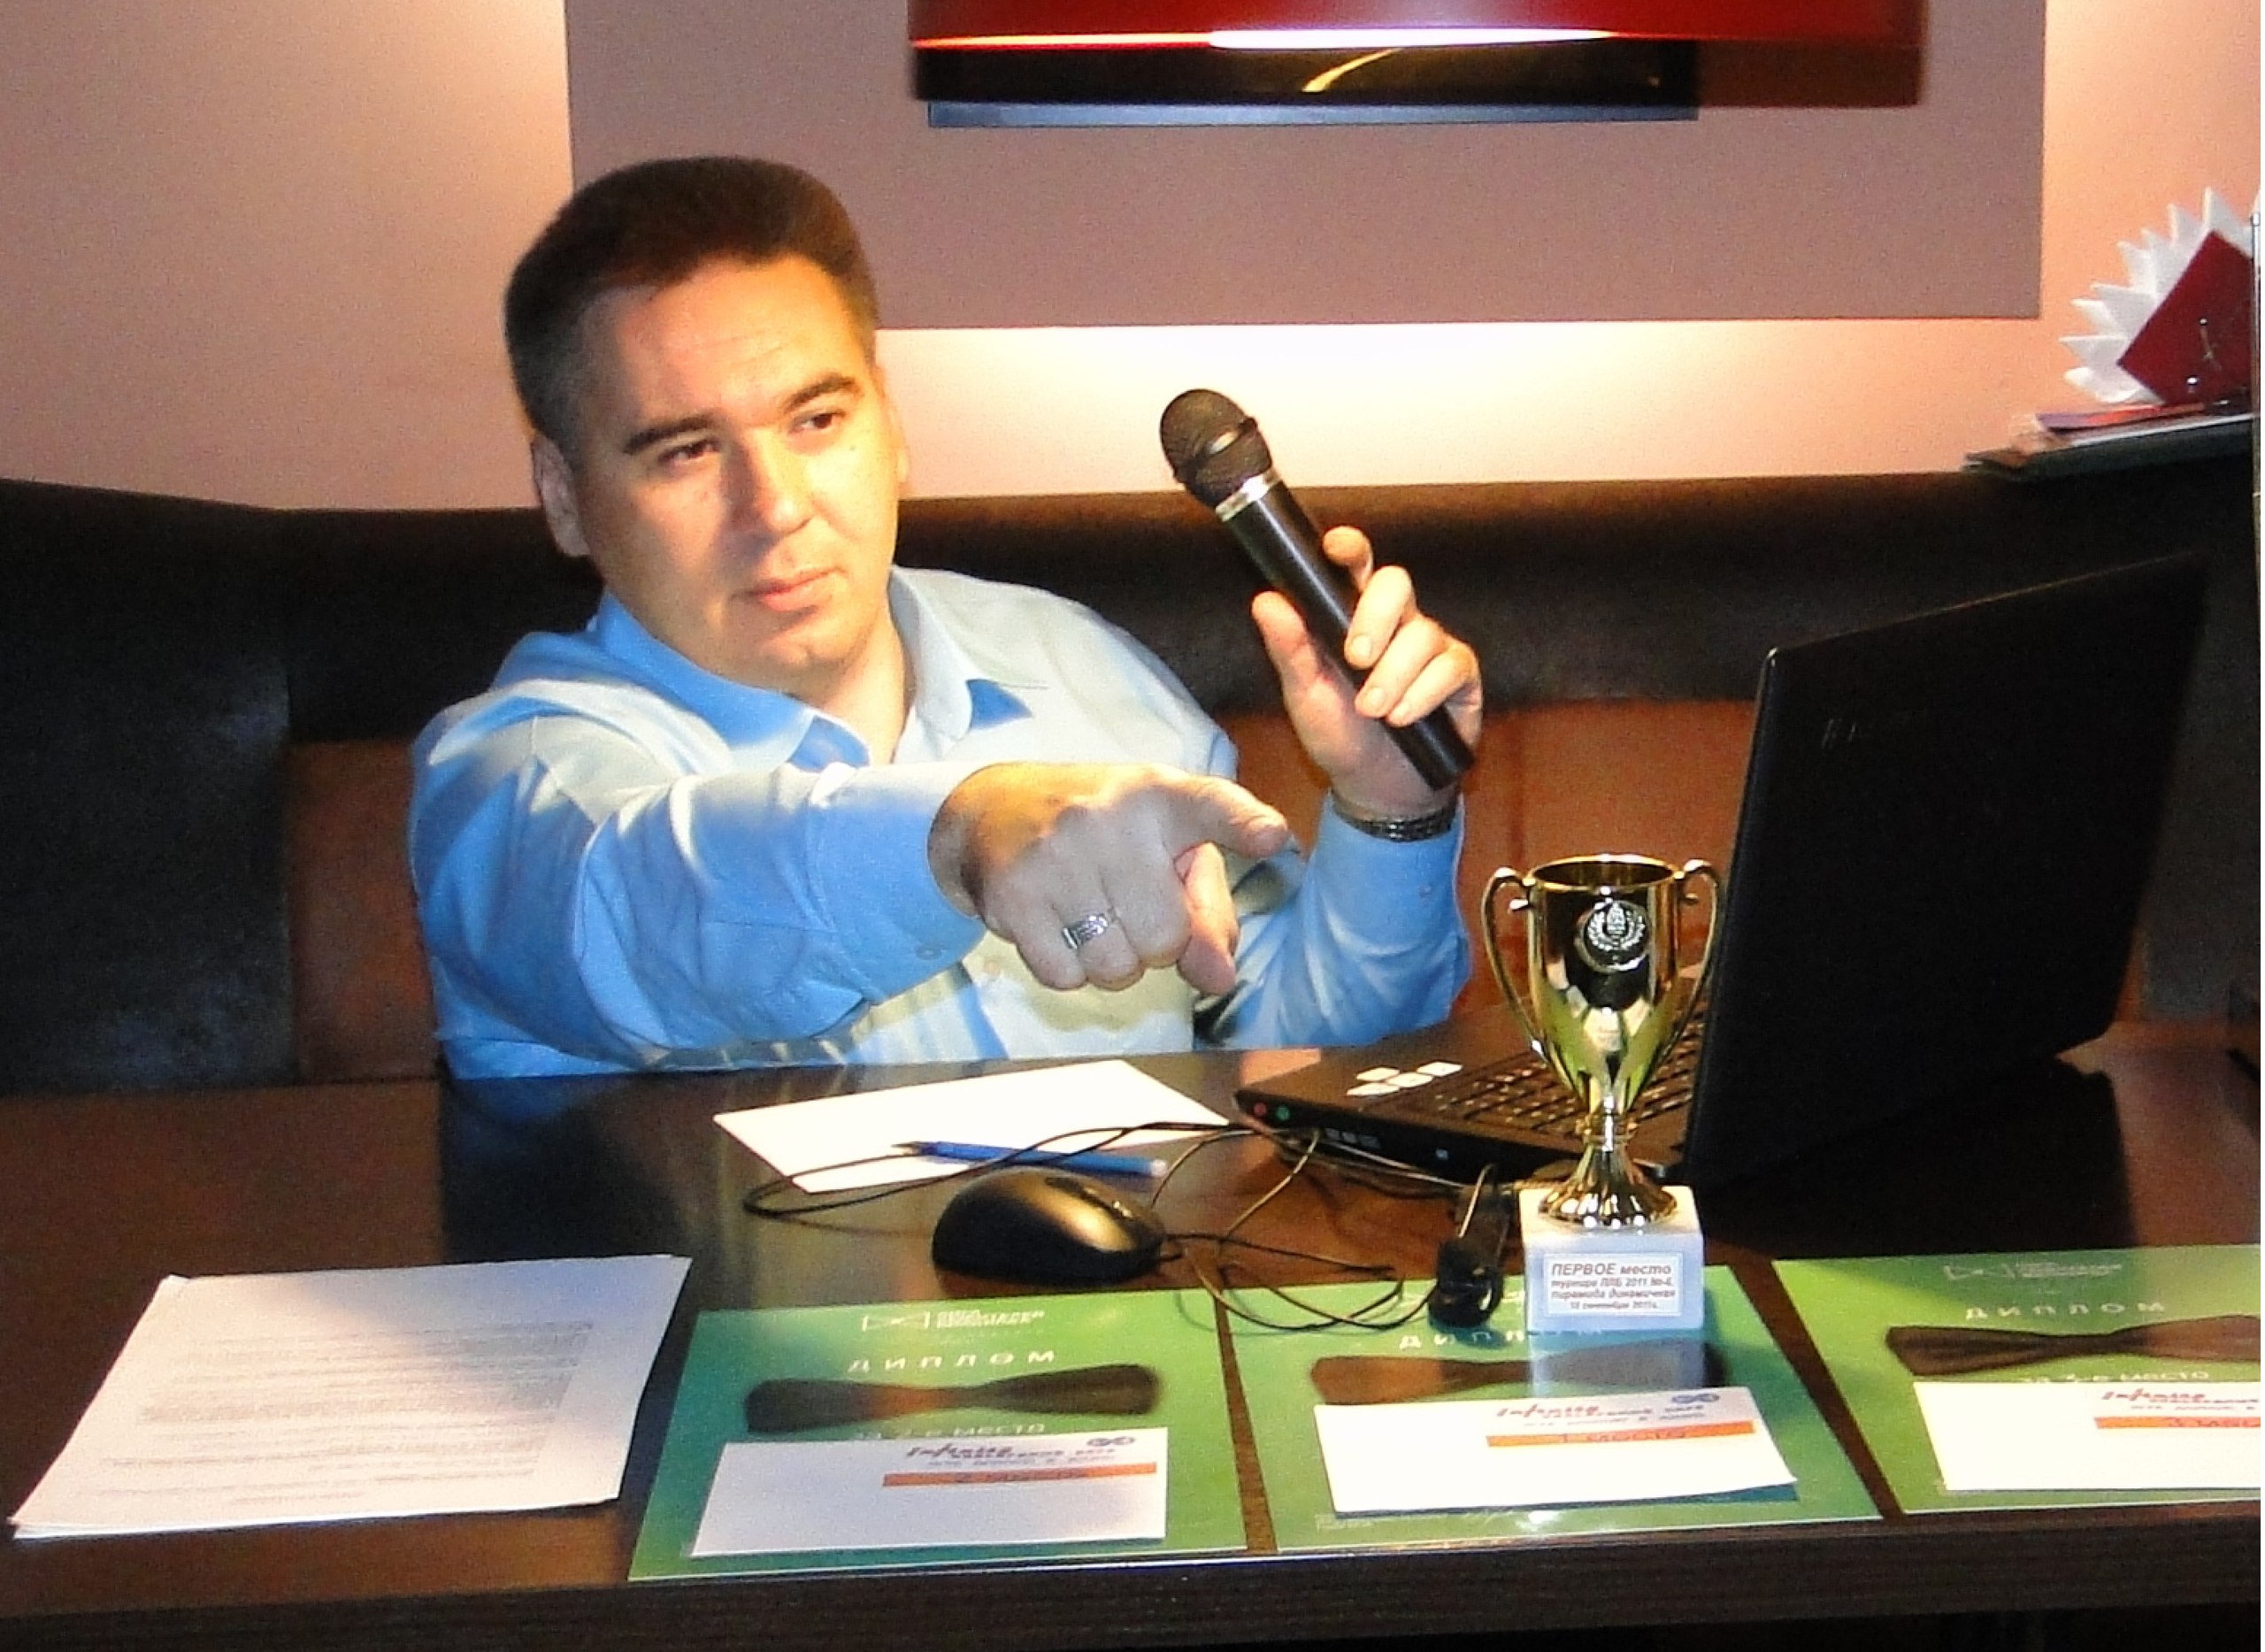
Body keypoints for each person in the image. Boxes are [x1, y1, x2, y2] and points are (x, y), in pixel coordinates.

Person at [410, 156, 1483, 1079]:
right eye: (687, 450)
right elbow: (645, 912)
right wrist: (962, 832)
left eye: (817, 419)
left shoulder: (1078, 667)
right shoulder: (514, 782)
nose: (775, 506)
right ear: (562, 496)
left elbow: (1301, 1057)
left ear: (891, 422)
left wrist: (1389, 811)